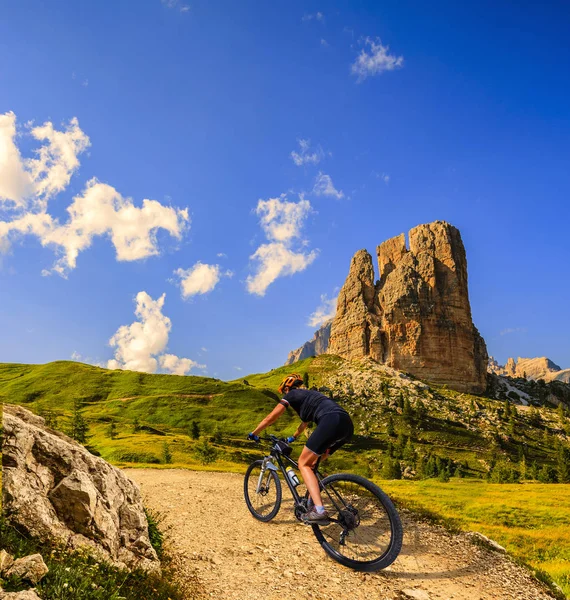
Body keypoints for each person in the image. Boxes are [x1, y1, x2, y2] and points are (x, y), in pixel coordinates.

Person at [247, 373, 354, 524]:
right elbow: (304, 424)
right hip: (346, 426)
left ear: (287, 388)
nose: (285, 394)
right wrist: (293, 437)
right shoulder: (309, 397)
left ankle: (319, 510)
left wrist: (254, 433)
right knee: (313, 465)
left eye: (284, 391)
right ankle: (312, 503)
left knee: (303, 463)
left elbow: (271, 417)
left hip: (330, 420)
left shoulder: (292, 395)